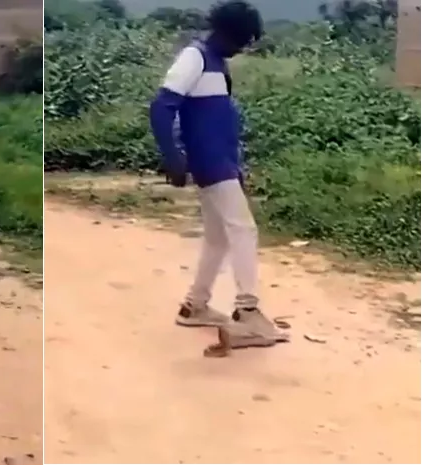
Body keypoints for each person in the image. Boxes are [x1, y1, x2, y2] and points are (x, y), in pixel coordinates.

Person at [148, 0, 289, 354]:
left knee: (218, 237)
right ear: (226, 32)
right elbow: (161, 107)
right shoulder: (195, 57)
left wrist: (234, 166)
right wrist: (172, 156)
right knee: (244, 229)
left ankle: (195, 305)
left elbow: (217, 120)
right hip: (210, 161)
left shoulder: (216, 63)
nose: (243, 48)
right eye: (242, 40)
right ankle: (248, 312)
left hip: (221, 160)